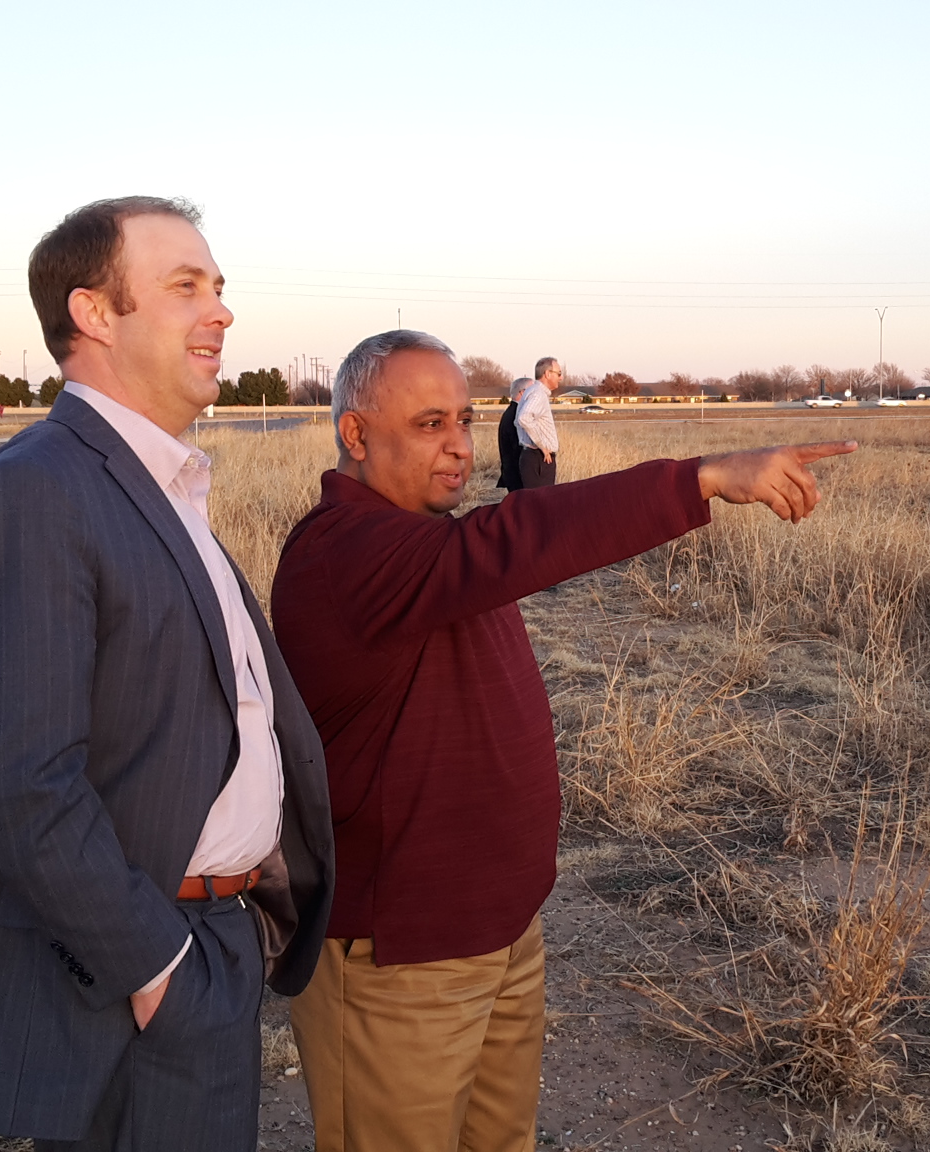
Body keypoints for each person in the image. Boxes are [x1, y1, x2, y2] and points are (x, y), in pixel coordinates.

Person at [271, 329, 852, 1152]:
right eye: (429, 424)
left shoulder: (428, 545)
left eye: (465, 422)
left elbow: (502, 545)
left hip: (502, 932)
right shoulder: (342, 553)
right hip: (400, 957)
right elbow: (514, 540)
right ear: (356, 435)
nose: (459, 448)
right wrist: (704, 479)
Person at [0, 196, 335, 1152]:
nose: (222, 311)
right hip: (132, 979)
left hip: (210, 944)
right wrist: (158, 970)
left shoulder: (158, 482)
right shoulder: (38, 491)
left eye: (220, 288)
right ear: (95, 314)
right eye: (185, 286)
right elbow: (19, 786)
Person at [513, 357, 561, 487]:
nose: (560, 378)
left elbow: (518, 421)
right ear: (547, 374)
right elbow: (524, 418)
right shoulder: (538, 394)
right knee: (541, 503)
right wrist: (543, 446)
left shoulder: (532, 391)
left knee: (534, 502)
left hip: (533, 457)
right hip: (539, 458)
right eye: (559, 374)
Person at [495, 376, 526, 491]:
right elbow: (517, 447)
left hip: (512, 472)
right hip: (516, 474)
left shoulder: (511, 412)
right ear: (523, 393)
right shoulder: (517, 415)